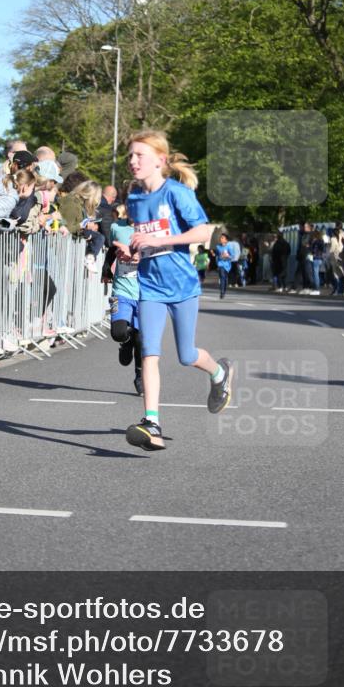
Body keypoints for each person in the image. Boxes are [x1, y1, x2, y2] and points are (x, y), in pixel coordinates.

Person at [118, 131, 233, 451]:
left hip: (182, 286)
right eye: (130, 155)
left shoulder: (177, 193)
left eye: (139, 155)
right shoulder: (135, 199)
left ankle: (220, 372)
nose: (133, 160)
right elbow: (143, 241)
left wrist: (159, 241)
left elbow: (204, 231)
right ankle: (151, 421)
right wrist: (132, 251)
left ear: (161, 160)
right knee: (148, 353)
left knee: (187, 355)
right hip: (151, 287)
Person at [104, 203, 142, 395]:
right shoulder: (116, 227)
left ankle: (140, 375)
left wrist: (139, 257)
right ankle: (125, 341)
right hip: (122, 290)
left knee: (141, 339)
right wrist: (106, 270)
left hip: (146, 293)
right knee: (118, 332)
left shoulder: (153, 231)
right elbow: (112, 250)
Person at [215, 233, 232, 299]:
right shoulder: (218, 247)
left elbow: (232, 256)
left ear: (226, 240)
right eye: (220, 238)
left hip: (227, 265)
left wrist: (227, 256)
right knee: (222, 278)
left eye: (222, 238)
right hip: (220, 264)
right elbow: (216, 255)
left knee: (225, 279)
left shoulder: (229, 247)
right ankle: (221, 292)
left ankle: (224, 291)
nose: (221, 239)